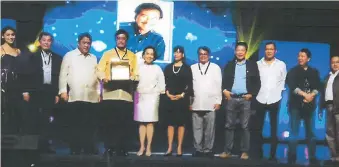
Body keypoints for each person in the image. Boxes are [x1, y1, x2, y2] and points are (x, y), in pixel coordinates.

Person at [97, 29, 138, 157]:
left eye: (123, 38)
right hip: (110, 94)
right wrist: (104, 77)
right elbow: (99, 70)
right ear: (116, 40)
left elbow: (136, 73)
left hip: (125, 95)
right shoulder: (107, 54)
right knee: (110, 123)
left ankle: (122, 148)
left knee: (124, 124)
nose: (121, 40)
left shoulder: (132, 55)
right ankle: (109, 147)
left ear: (126, 40)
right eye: (119, 38)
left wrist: (133, 78)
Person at [59, 33, 100, 155]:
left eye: (88, 43)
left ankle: (88, 148)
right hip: (75, 96)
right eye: (84, 42)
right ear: (78, 43)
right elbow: (63, 75)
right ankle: (75, 149)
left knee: (89, 125)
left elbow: (96, 77)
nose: (86, 45)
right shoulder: (69, 56)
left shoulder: (93, 58)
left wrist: (99, 93)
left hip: (91, 97)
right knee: (75, 124)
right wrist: (62, 91)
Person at [220, 42, 261, 160]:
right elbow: (223, 80)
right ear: (235, 51)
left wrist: (251, 94)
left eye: (242, 50)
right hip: (231, 98)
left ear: (246, 52)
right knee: (229, 126)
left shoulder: (252, 65)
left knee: (245, 126)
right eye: (238, 50)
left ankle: (244, 152)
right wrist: (224, 91)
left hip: (245, 99)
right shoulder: (229, 65)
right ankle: (227, 151)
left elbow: (257, 83)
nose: (240, 52)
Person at [25, 32, 62, 154]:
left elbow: (58, 77)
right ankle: (33, 147)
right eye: (44, 40)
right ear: (40, 42)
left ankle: (46, 145)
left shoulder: (57, 58)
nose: (46, 42)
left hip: (50, 92)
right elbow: (27, 75)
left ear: (51, 42)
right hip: (35, 92)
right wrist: (26, 91)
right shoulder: (32, 56)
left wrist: (57, 93)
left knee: (48, 120)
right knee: (34, 119)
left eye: (49, 40)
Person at [286, 48, 321, 164]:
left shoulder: (314, 71)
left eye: (303, 56)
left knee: (310, 133)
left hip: (309, 106)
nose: (300, 58)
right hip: (295, 106)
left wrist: (311, 95)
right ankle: (292, 156)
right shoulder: (293, 71)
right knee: (294, 132)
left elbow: (318, 86)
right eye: (299, 56)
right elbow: (292, 86)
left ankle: (312, 157)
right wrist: (304, 95)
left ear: (308, 58)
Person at [255, 42, 286, 160]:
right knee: (258, 127)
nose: (269, 51)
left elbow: (283, 79)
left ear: (275, 51)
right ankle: (258, 153)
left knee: (274, 128)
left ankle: (272, 155)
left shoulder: (281, 64)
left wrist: (279, 93)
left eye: (271, 49)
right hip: (260, 98)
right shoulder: (258, 64)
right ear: (264, 50)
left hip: (275, 98)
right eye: (267, 49)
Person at [190, 46, 222, 158]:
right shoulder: (193, 68)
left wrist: (218, 101)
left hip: (211, 102)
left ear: (209, 55)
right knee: (197, 129)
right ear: (198, 55)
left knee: (210, 129)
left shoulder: (215, 67)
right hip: (196, 102)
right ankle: (198, 149)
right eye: (201, 54)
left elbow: (219, 85)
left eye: (205, 54)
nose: (203, 56)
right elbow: (189, 87)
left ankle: (208, 149)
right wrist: (190, 102)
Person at [134, 46, 165, 156]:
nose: (149, 56)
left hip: (153, 96)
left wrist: (157, 92)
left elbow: (162, 85)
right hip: (140, 96)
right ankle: (141, 146)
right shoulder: (138, 67)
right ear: (143, 55)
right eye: (147, 53)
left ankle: (149, 147)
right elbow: (134, 80)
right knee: (141, 122)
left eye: (152, 54)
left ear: (154, 56)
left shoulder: (157, 68)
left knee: (150, 122)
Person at [163, 46, 193, 157]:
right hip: (169, 99)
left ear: (183, 55)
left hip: (182, 100)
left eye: (179, 52)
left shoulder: (186, 68)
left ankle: (179, 147)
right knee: (170, 124)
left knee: (181, 123)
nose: (176, 54)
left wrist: (182, 95)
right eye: (175, 52)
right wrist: (168, 94)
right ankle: (170, 147)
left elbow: (189, 85)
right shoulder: (168, 68)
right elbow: (164, 83)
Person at [1, 26, 21, 133]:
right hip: (3, 86)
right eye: (8, 35)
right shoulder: (0, 49)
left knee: (14, 110)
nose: (11, 37)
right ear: (2, 36)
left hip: (16, 85)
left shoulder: (18, 51)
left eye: (12, 34)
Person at [320, 55, 339, 164]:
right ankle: (334, 156)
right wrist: (320, 108)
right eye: (333, 62)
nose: (335, 64)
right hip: (328, 106)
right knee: (330, 132)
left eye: (337, 62)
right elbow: (324, 93)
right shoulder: (327, 77)